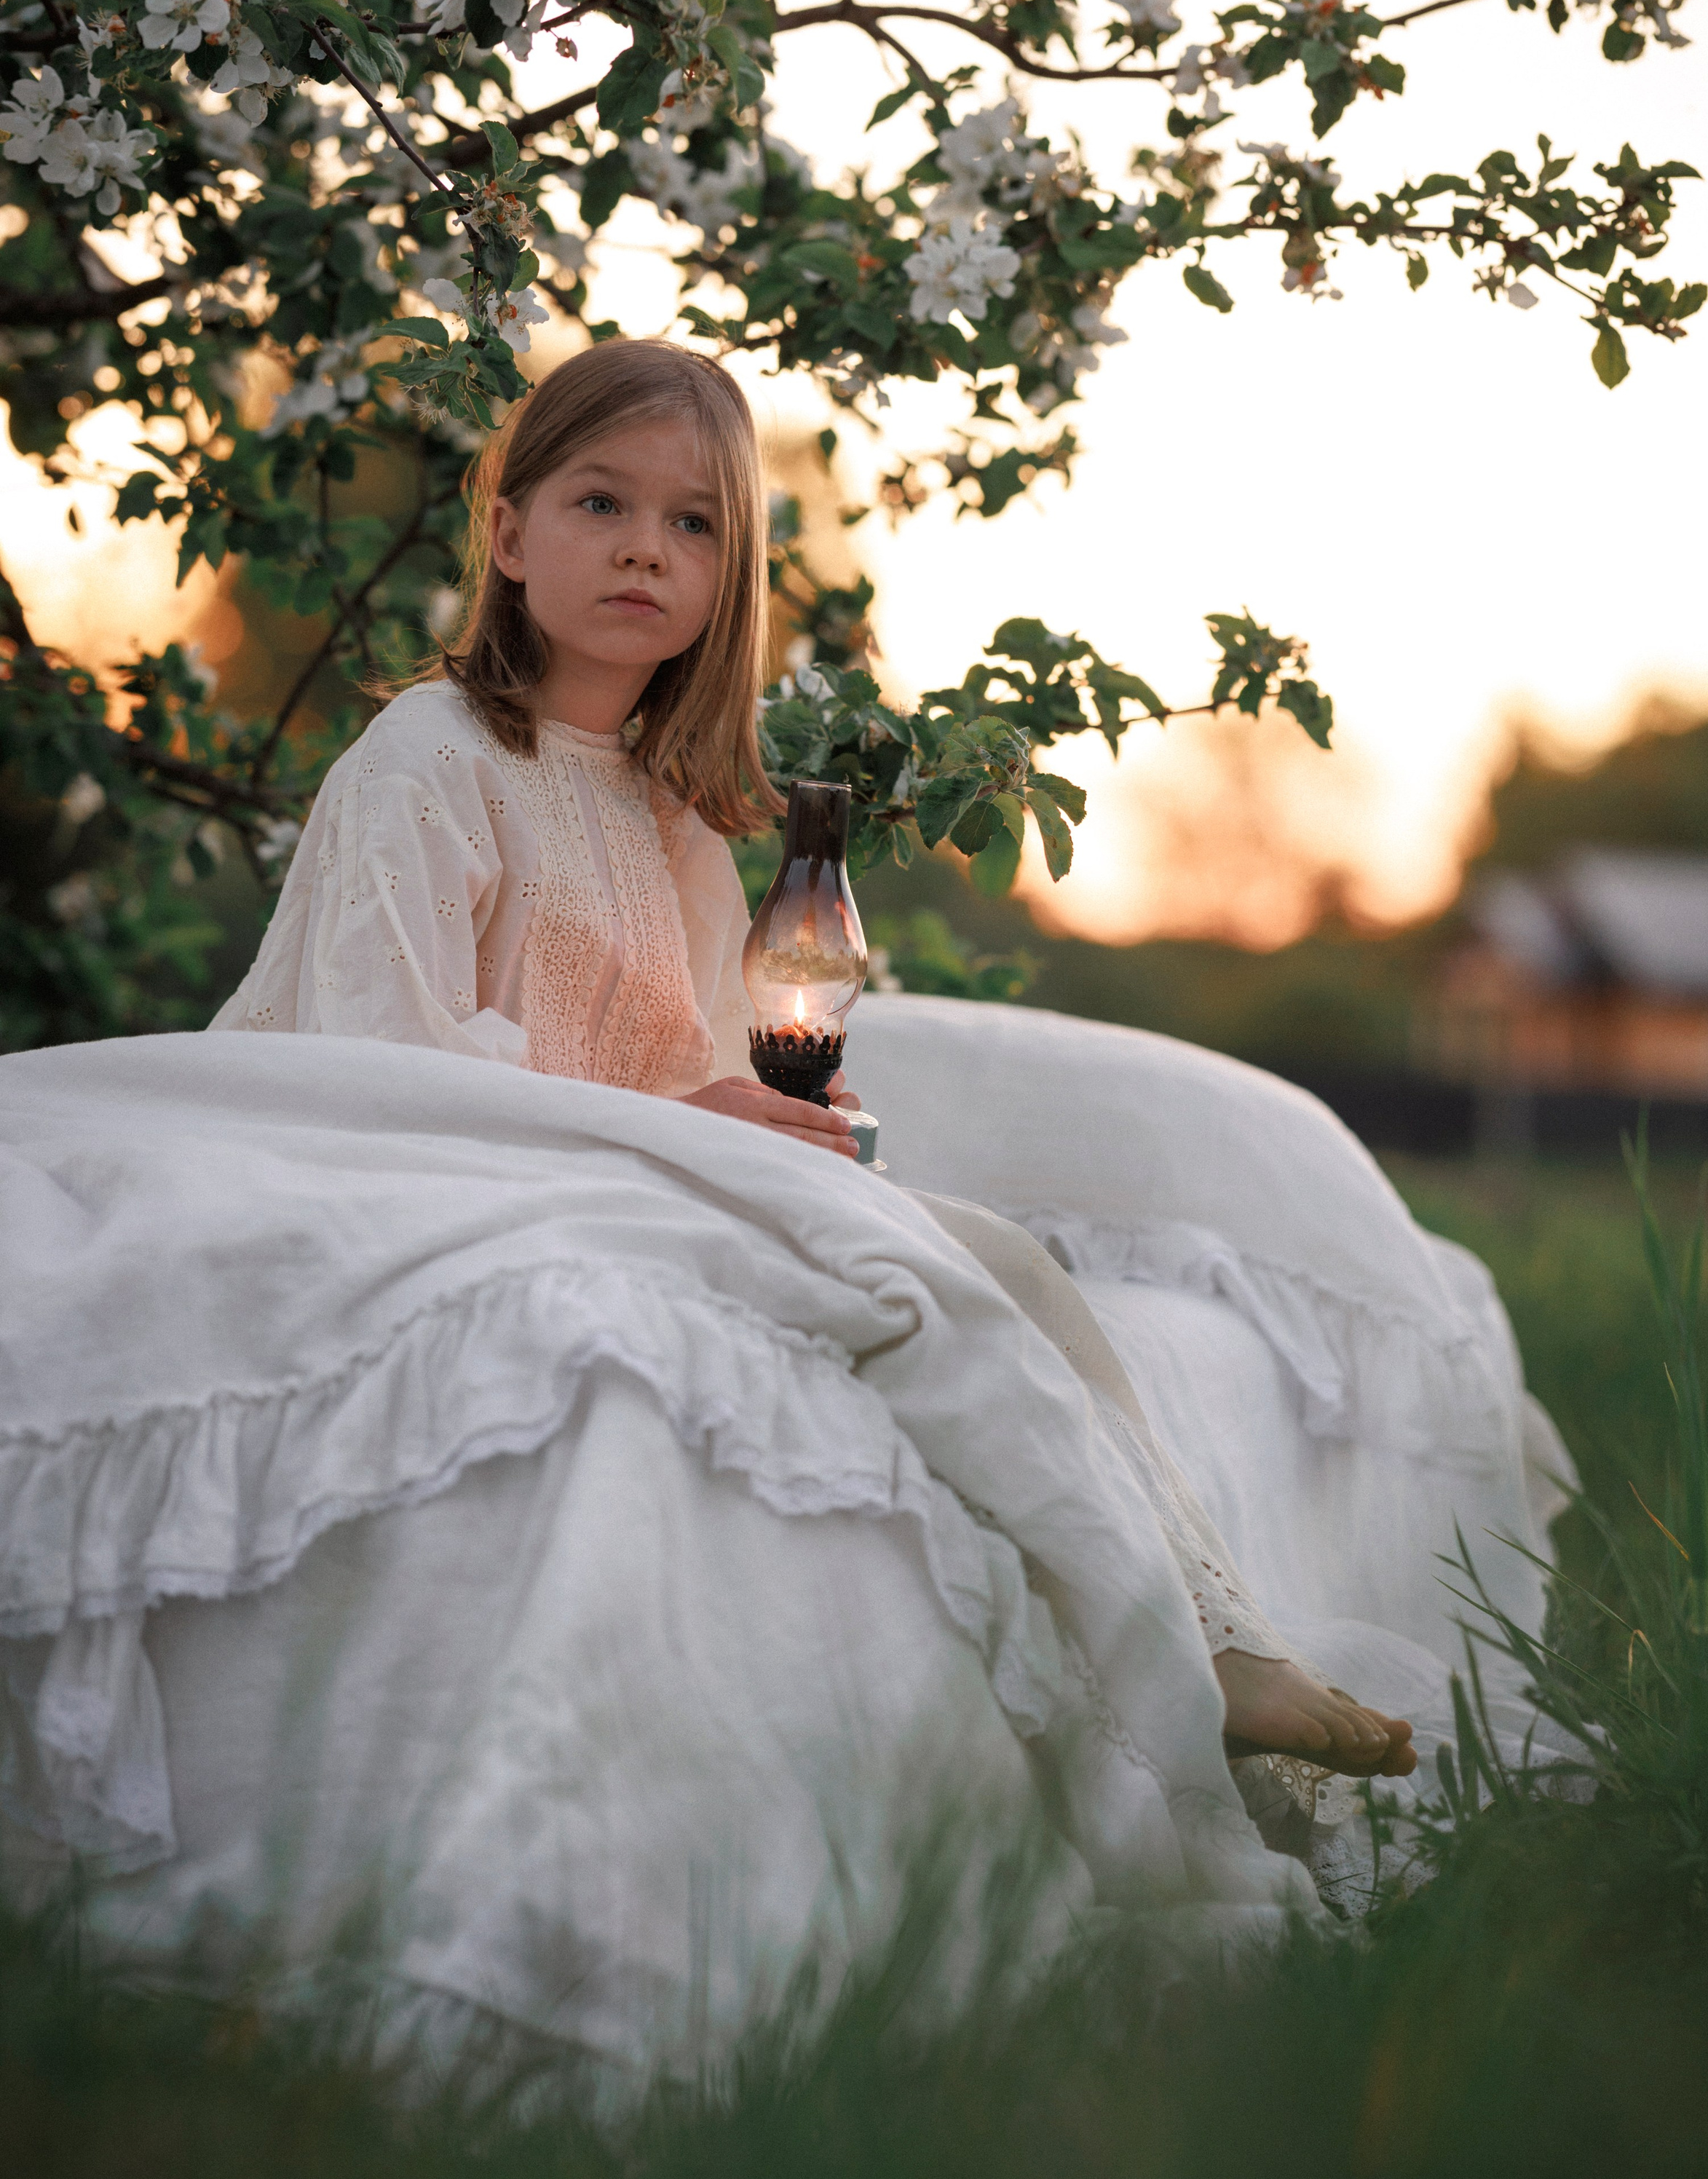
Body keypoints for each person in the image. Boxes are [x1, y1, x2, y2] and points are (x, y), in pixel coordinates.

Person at [1, 341, 1565, 2087]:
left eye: (692, 525)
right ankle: (1191, 1652)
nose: (643, 548)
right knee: (911, 1265)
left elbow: (672, 1056)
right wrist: (678, 1131)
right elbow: (385, 1058)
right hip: (404, 1158)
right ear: (507, 531)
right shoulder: (428, 757)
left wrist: (745, 1120)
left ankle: (1214, 1633)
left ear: (727, 578)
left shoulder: (666, 816)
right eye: (599, 503)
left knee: (984, 1254)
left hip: (584, 1160)